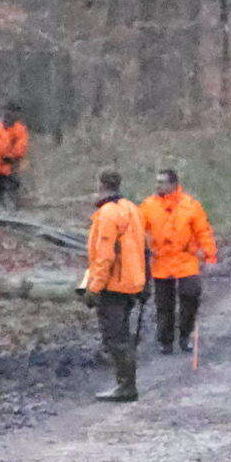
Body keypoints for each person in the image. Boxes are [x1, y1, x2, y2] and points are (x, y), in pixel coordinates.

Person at [82, 168, 149, 403]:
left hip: (114, 285)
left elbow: (105, 256)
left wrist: (94, 287)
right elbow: (144, 248)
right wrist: (145, 282)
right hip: (132, 282)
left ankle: (126, 386)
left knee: (115, 338)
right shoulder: (132, 209)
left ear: (101, 184)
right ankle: (127, 383)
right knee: (122, 335)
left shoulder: (107, 214)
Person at [139, 167, 217, 356]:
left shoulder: (190, 205)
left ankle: (184, 334)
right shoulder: (148, 205)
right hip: (161, 261)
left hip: (186, 259)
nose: (158, 185)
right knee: (163, 304)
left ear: (174, 184)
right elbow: (138, 229)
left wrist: (210, 255)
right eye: (157, 181)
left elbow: (203, 231)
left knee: (191, 296)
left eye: (162, 182)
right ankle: (165, 341)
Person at [0, 103, 30, 208]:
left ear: (16, 114)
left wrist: (11, 157)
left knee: (11, 195)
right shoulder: (0, 126)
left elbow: (21, 148)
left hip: (10, 168)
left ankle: (11, 213)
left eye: (11, 111)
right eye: (7, 110)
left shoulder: (20, 129)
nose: (8, 113)